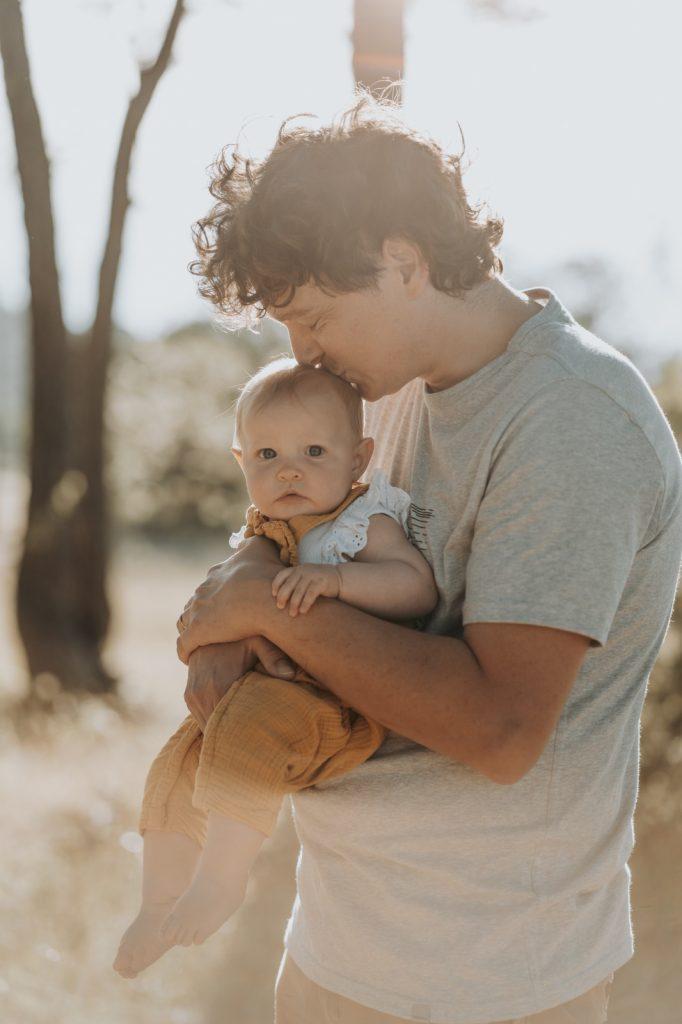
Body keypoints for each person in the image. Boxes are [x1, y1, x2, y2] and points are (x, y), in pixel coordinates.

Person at [174, 95, 682, 1023]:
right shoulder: (387, 392)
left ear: (403, 260)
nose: (304, 354)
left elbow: (499, 726)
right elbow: (287, 548)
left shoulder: (570, 419)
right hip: (334, 950)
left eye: (316, 317)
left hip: (491, 984)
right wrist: (232, 621)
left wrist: (261, 608)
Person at [112, 356, 437, 980]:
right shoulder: (265, 529)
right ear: (241, 462)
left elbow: (415, 587)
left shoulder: (361, 522)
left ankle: (223, 879)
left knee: (252, 729)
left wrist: (339, 580)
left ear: (359, 457)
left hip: (341, 700)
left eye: (315, 450)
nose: (289, 469)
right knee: (180, 758)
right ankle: (157, 900)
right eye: (267, 455)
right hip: (269, 694)